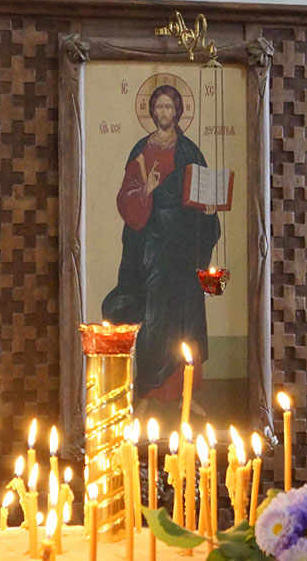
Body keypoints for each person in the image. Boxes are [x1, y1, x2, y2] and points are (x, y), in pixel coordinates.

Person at [101, 84, 219, 403]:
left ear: (177, 111)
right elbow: (125, 198)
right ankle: (151, 389)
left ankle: (186, 394)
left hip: (185, 246)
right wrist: (147, 190)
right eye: (160, 107)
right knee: (154, 313)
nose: (164, 112)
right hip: (151, 245)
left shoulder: (190, 151)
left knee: (186, 314)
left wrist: (209, 211)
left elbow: (204, 191)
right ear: (152, 111)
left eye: (169, 107)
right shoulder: (142, 150)